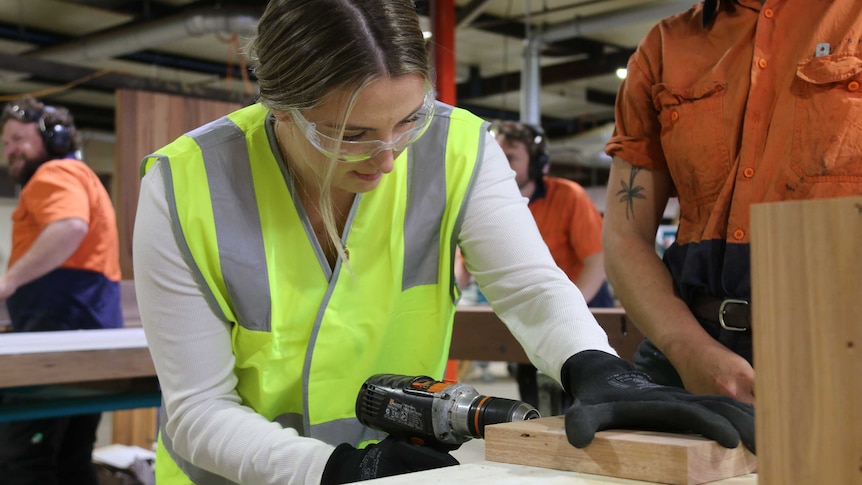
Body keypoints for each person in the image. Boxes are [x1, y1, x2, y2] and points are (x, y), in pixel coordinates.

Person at [132, 1, 755, 484]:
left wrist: (593, 364)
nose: (385, 158)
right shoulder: (187, 184)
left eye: (407, 121)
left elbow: (530, 286)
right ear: (278, 106)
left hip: (403, 466)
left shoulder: (458, 146)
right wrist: (337, 470)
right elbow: (197, 410)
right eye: (348, 134)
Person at [602, 0, 862, 405]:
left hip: (841, 349)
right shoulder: (665, 47)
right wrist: (690, 351)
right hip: (692, 354)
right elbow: (624, 236)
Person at [0, 96, 123, 484]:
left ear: (52, 138)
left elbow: (69, 227)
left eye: (19, 138)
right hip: (86, 340)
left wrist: (9, 281)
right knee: (71, 459)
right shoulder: (79, 174)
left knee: (22, 458)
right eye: (5, 143)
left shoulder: (55, 173)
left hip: (57, 340)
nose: (10, 150)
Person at [488, 119, 614, 409]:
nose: (500, 164)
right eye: (495, 156)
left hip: (585, 311)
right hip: (530, 317)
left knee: (583, 406)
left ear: (537, 164)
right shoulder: (492, 205)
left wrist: (566, 309)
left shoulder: (569, 196)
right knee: (535, 408)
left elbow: (597, 259)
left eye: (510, 157)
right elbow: (464, 264)